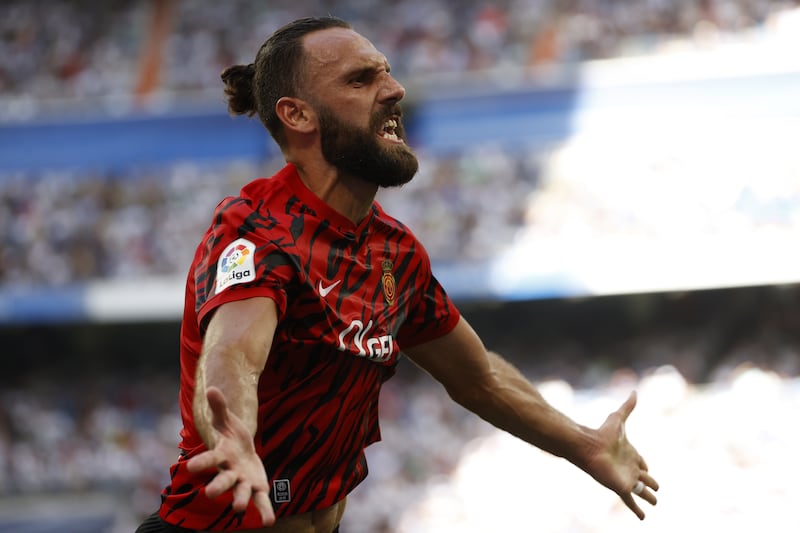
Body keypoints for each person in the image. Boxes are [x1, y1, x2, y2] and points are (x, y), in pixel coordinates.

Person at [137, 15, 658, 533]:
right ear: (297, 115)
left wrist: (583, 444)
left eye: (385, 73)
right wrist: (232, 436)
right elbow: (232, 353)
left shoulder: (396, 251)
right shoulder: (257, 231)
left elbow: (479, 378)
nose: (395, 90)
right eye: (360, 80)